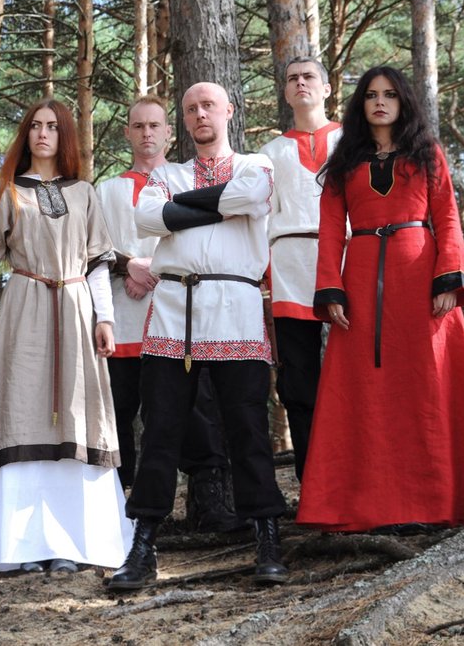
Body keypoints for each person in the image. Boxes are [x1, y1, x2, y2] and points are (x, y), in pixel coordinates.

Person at [296, 66, 464, 532]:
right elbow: (330, 231)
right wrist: (331, 288)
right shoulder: (344, 163)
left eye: (390, 95)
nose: (380, 102)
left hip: (419, 279)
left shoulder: (426, 153)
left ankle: (439, 501)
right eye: (371, 95)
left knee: (428, 387)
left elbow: (448, 216)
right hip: (361, 284)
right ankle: (365, 506)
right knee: (365, 391)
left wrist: (448, 279)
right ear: (360, 104)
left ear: (404, 102)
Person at [0, 99, 133, 572]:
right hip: (25, 311)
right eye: (35, 126)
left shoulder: (83, 193)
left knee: (77, 419)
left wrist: (105, 320)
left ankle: (71, 545)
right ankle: (20, 547)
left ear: (64, 136)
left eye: (52, 126)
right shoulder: (10, 191)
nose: (43, 134)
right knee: (18, 412)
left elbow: (98, 263)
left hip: (76, 309)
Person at [108, 82, 288, 591]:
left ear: (228, 110)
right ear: (184, 121)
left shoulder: (256, 164)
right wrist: (223, 205)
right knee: (161, 432)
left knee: (248, 431)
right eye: (191, 109)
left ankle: (267, 538)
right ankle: (143, 546)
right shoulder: (165, 173)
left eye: (208, 105)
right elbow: (147, 217)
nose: (200, 114)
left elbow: (253, 195)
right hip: (174, 311)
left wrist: (181, 208)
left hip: (236, 309)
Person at [96, 95, 241, 531]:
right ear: (127, 132)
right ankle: (117, 516)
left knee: (194, 409)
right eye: (138, 126)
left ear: (168, 132)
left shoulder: (185, 181)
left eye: (154, 126)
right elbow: (89, 247)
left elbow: (206, 243)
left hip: (180, 317)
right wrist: (128, 265)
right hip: (123, 318)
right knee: (119, 413)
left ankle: (210, 503)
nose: (147, 134)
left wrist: (154, 269)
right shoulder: (106, 190)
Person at [259, 57, 342, 480]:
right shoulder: (269, 154)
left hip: (347, 259)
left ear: (326, 88)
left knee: (356, 370)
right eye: (292, 78)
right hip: (289, 263)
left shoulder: (351, 140)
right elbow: (262, 218)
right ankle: (314, 483)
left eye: (309, 76)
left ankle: (361, 478)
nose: (300, 83)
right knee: (298, 379)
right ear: (286, 92)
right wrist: (263, 273)